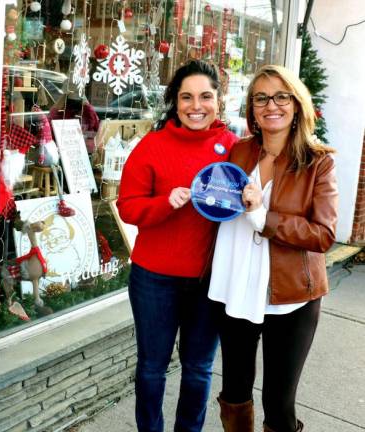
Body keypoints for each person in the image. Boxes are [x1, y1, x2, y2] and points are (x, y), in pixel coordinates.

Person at [208, 65, 338, 432]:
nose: (271, 105)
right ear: (252, 108)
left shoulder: (318, 163)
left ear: (297, 105)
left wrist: (265, 217)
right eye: (261, 98)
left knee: (278, 402)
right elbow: (223, 205)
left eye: (282, 96)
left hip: (290, 296)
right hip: (236, 288)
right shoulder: (239, 152)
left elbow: (323, 235)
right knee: (233, 391)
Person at [117, 60, 239, 432]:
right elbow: (127, 207)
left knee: (199, 369)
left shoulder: (235, 148)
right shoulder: (152, 146)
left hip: (209, 280)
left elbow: (254, 200)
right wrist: (163, 203)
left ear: (219, 100)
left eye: (205, 96)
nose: (196, 106)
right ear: (175, 101)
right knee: (152, 368)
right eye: (186, 97)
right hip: (155, 279)